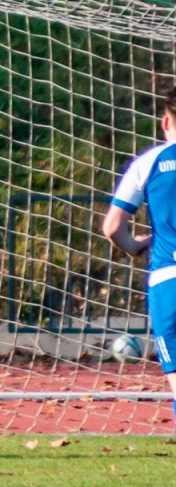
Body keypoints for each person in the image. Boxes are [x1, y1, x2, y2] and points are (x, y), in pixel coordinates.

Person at [103, 85, 176, 419]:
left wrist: (133, 247)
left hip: (168, 280)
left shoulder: (147, 163)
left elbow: (112, 226)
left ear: (165, 121)